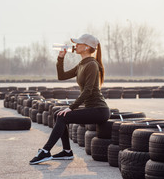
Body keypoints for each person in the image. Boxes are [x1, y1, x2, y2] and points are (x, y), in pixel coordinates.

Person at [29, 34, 110, 165]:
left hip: (99, 111)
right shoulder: (81, 64)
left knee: (63, 116)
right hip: (91, 108)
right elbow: (61, 76)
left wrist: (71, 107)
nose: (75, 45)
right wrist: (61, 58)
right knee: (58, 114)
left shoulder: (92, 65)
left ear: (87, 47)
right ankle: (67, 152)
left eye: (79, 44)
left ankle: (45, 151)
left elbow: (88, 91)